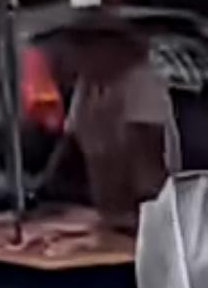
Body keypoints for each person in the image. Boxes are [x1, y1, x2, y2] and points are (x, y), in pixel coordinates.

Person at [40, 13, 178, 231]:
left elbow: (147, 158)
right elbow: (68, 144)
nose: (79, 56)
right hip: (107, 212)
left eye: (87, 47)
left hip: (139, 217)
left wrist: (148, 222)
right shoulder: (89, 86)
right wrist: (40, 191)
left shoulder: (141, 82)